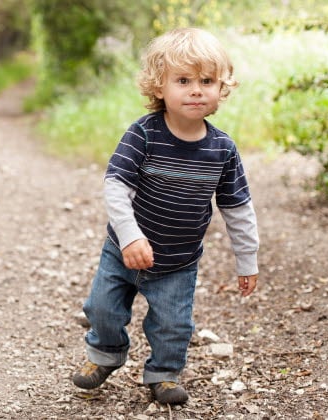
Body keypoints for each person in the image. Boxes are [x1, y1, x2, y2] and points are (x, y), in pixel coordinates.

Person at [72, 27, 259, 405]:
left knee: (173, 324)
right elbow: (116, 185)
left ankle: (163, 373)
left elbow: (237, 207)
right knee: (102, 309)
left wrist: (247, 259)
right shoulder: (144, 134)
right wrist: (129, 236)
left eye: (207, 81)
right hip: (123, 251)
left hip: (178, 261)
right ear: (159, 87)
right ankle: (105, 355)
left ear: (221, 88)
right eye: (183, 80)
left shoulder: (222, 149)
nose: (196, 89)